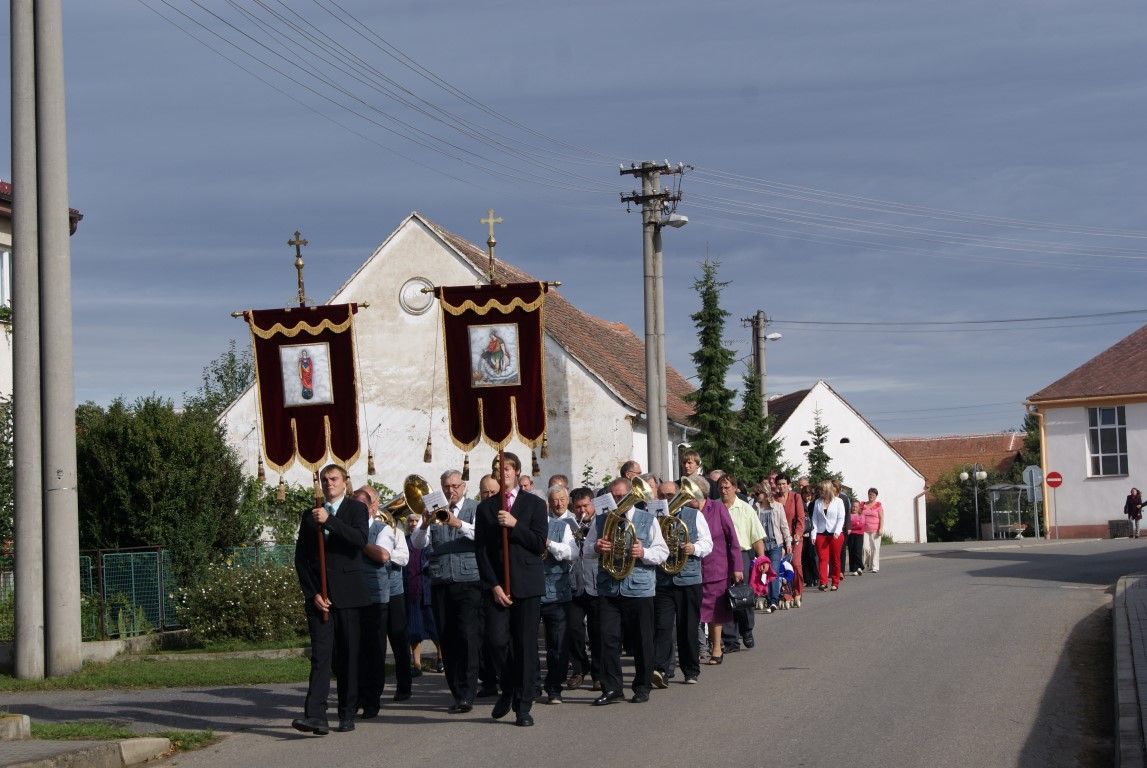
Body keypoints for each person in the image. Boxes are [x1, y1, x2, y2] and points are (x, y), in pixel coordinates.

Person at [292, 464, 370, 735]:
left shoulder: (355, 509)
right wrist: (312, 593)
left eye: (334, 478)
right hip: (319, 597)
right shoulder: (308, 515)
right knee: (321, 657)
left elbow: (359, 540)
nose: (329, 483)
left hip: (348, 595)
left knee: (348, 655)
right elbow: (301, 559)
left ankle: (347, 712)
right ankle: (315, 715)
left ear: (345, 482)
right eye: (324, 479)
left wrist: (330, 521)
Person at [475, 452, 548, 727]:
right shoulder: (486, 508)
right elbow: (481, 551)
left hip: (527, 585)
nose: (502, 471)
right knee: (495, 641)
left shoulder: (535, 504)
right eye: (497, 468)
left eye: (507, 467)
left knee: (526, 646)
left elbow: (539, 543)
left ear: (516, 471)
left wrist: (515, 525)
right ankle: (507, 687)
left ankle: (523, 704)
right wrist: (493, 585)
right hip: (498, 586)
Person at [584, 476, 669, 704]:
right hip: (610, 589)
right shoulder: (601, 520)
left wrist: (644, 552)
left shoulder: (648, 520)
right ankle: (612, 687)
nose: (619, 501)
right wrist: (596, 546)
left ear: (633, 496)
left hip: (639, 589)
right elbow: (585, 550)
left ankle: (642, 686)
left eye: (623, 496)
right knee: (607, 639)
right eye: (616, 497)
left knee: (642, 640)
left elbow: (663, 553)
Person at [411, 469, 482, 714]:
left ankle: (468, 692)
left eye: (455, 486)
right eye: (446, 486)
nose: (451, 491)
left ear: (463, 486)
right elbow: (418, 544)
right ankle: (457, 691)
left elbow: (482, 536)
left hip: (469, 580)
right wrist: (424, 524)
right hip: (441, 581)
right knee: (447, 637)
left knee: (468, 637)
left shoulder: (475, 508)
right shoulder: (433, 509)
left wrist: (458, 522)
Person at [652, 479, 712, 686]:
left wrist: (693, 548)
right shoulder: (654, 517)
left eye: (669, 496)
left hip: (688, 579)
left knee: (688, 626)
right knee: (663, 627)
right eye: (661, 496)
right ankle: (661, 670)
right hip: (663, 580)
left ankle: (690, 670)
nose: (665, 500)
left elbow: (707, 543)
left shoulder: (694, 515)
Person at [354, 486, 397, 719]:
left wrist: (355, 539)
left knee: (373, 650)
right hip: (351, 596)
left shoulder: (383, 529)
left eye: (362, 505)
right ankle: (355, 695)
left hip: (375, 597)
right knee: (352, 650)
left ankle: (371, 699)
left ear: (373, 507)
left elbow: (382, 555)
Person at [539, 484, 577, 704]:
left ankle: (555, 687)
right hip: (531, 591)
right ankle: (533, 684)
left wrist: (549, 544)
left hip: (557, 593)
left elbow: (572, 553)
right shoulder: (524, 527)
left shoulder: (560, 526)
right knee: (526, 643)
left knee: (558, 644)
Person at [697, 476, 741, 665]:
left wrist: (737, 567)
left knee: (715, 610)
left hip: (717, 567)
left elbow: (733, 539)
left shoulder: (717, 507)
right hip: (693, 569)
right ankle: (699, 648)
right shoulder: (687, 511)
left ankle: (716, 648)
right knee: (696, 611)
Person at [719, 473, 765, 651]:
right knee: (725, 597)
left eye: (727, 487)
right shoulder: (715, 508)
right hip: (721, 556)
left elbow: (757, 537)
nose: (723, 491)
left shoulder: (745, 509)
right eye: (721, 488)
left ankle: (746, 628)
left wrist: (762, 559)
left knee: (742, 595)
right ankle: (731, 640)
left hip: (742, 554)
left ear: (735, 488)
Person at [565, 486, 601, 691]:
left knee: (597, 631)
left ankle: (598, 673)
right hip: (574, 585)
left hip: (596, 584)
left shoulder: (602, 523)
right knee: (573, 629)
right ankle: (579, 668)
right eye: (577, 507)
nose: (582, 511)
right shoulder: (568, 524)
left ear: (592, 504)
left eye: (585, 506)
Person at [404, 511, 442, 676]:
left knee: (434, 628)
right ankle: (417, 664)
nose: (413, 523)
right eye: (410, 521)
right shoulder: (404, 540)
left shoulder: (428, 540)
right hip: (411, 591)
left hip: (428, 590)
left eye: (415, 520)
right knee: (414, 631)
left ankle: (441, 659)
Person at [757, 488, 792, 612]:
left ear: (766, 494)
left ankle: (773, 600)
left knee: (774, 572)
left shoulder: (778, 507)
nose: (757, 496)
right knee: (763, 573)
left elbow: (784, 525)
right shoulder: (756, 508)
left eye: (759, 493)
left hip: (775, 544)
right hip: (760, 545)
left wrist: (788, 542)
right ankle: (765, 596)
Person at [812, 481, 846, 591]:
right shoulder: (818, 502)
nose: (821, 492)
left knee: (835, 559)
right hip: (821, 534)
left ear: (828, 490)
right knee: (822, 559)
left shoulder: (838, 502)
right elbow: (815, 519)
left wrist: (837, 531)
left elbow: (841, 518)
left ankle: (835, 582)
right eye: (820, 490)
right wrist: (814, 534)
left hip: (835, 534)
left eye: (822, 490)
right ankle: (823, 582)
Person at [777, 475, 806, 607]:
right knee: (783, 567)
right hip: (780, 538)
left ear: (788, 484)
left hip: (795, 538)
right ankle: (786, 593)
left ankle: (797, 591)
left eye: (784, 484)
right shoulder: (774, 498)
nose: (781, 486)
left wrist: (798, 534)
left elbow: (801, 518)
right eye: (779, 484)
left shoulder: (796, 497)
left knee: (795, 564)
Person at [800, 484, 819, 589]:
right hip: (803, 533)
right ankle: (808, 579)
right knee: (804, 558)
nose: (808, 497)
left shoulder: (813, 504)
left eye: (810, 495)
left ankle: (815, 577)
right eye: (806, 494)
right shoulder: (800, 503)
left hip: (811, 532)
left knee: (811, 556)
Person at [863, 488, 885, 572]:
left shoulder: (878, 506)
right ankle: (869, 563)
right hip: (864, 530)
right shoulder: (863, 505)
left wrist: (881, 529)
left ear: (876, 496)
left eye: (873, 494)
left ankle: (875, 567)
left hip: (875, 530)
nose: (871, 496)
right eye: (870, 494)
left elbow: (882, 518)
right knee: (865, 548)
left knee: (875, 548)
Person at [847, 496, 867, 576]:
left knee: (857, 551)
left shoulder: (861, 515)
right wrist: (855, 524)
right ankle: (854, 569)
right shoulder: (848, 515)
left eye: (856, 506)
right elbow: (848, 525)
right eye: (853, 506)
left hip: (859, 535)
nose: (854, 508)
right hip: (850, 535)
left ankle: (860, 566)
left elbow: (861, 525)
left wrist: (852, 525)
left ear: (859, 508)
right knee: (851, 551)